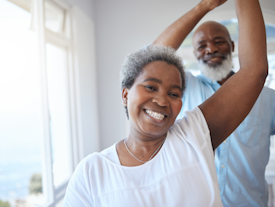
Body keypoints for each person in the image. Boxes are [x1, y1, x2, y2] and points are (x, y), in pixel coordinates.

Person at [63, 0, 268, 206]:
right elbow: (149, 58)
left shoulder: (193, 136)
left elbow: (254, 71)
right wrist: (203, 6)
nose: (162, 100)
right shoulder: (91, 173)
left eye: (174, 93)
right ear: (125, 95)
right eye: (151, 87)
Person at [153, 0, 275, 206]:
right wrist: (204, 7)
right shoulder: (184, 87)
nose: (210, 49)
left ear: (232, 45)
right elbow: (151, 59)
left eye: (218, 41)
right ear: (195, 54)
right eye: (201, 45)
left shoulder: (267, 98)